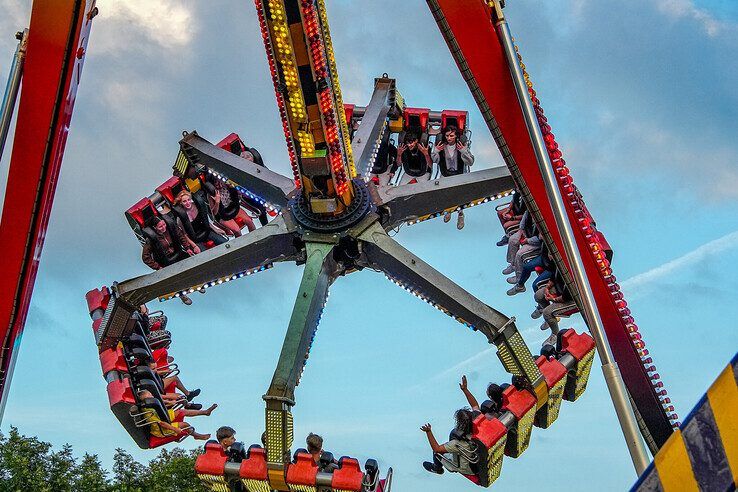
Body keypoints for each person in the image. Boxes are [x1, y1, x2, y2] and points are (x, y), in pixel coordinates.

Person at [431, 125, 475, 229]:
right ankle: (448, 209)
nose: (449, 138)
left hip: (458, 174)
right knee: (443, 192)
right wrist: (436, 151)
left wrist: (464, 151)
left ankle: (460, 213)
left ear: (456, 136)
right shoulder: (441, 146)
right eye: (447, 136)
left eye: (451, 136)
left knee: (459, 195)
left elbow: (471, 162)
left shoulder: (461, 146)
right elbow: (434, 160)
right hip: (445, 174)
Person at [137, 389, 215, 441]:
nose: (152, 397)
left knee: (182, 411)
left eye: (151, 395)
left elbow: (160, 409)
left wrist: (171, 403)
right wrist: (175, 429)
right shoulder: (148, 413)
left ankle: (205, 412)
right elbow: (161, 423)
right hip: (161, 429)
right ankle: (197, 435)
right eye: (150, 396)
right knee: (186, 425)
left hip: (163, 416)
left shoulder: (151, 404)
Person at [421, 409, 477, 475]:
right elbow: (475, 407)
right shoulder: (479, 431)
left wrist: (428, 432)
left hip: (468, 468)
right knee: (447, 446)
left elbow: (436, 449)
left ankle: (436, 468)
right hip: (478, 460)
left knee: (437, 453)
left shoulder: (457, 443)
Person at [534, 270, 576, 346]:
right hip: (559, 288)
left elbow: (566, 296)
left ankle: (555, 334)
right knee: (539, 295)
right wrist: (547, 287)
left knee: (547, 312)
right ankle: (549, 320)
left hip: (572, 298)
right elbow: (555, 273)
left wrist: (553, 299)